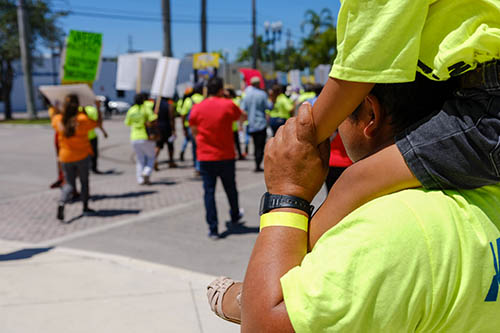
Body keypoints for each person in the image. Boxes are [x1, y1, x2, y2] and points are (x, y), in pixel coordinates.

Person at [207, 79, 500, 331]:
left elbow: (264, 326)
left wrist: (287, 194)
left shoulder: (385, 231)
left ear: (370, 114)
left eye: (342, 114)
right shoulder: (488, 190)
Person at [300, 0, 500, 233]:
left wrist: (303, 140)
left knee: (353, 183)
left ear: (371, 113)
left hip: (488, 106)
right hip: (480, 95)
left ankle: (304, 261)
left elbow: (356, 75)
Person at [189, 77, 247, 239]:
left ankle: (213, 228)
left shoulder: (197, 107)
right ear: (222, 89)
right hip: (226, 155)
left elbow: (193, 131)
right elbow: (243, 117)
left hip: (206, 156)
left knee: (209, 192)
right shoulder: (228, 105)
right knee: (231, 188)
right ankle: (235, 215)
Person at [52, 94, 100, 221]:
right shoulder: (82, 119)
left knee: (69, 184)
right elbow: (96, 123)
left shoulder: (58, 119)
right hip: (81, 155)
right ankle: (85, 207)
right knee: (84, 182)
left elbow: (54, 118)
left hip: (65, 156)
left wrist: (56, 109)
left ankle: (62, 201)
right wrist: (96, 108)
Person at [125, 93, 158, 185]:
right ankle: (146, 172)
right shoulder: (145, 109)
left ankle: (140, 179)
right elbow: (153, 119)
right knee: (151, 157)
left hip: (134, 137)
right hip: (146, 136)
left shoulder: (131, 110)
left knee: (140, 160)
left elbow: (127, 123)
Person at [240, 76, 272, 172]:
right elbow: (268, 107)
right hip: (261, 123)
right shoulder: (262, 94)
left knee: (255, 144)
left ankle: (256, 163)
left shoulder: (247, 95)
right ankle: (258, 163)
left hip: (251, 124)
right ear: (258, 84)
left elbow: (243, 109)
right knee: (260, 145)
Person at [179, 84, 204, 174]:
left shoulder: (188, 100)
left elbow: (183, 114)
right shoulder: (204, 99)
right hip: (202, 126)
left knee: (194, 147)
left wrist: (183, 128)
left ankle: (196, 165)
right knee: (201, 147)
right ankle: (200, 165)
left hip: (190, 127)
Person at [84, 103, 108, 174]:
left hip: (82, 136)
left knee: (84, 154)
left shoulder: (79, 109)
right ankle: (94, 168)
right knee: (94, 154)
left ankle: (84, 168)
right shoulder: (93, 110)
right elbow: (98, 123)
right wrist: (104, 132)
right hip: (92, 136)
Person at [154, 97, 177, 170]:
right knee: (170, 145)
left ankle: (154, 159)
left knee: (158, 145)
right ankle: (171, 161)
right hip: (167, 127)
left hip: (158, 127)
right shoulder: (169, 105)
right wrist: (173, 130)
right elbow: (171, 118)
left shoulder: (156, 105)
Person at [225, 88, 245, 160]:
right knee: (232, 143)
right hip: (228, 126)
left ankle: (239, 154)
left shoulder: (235, 101)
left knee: (236, 142)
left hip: (234, 125)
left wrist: (240, 125)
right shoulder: (228, 101)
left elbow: (240, 114)